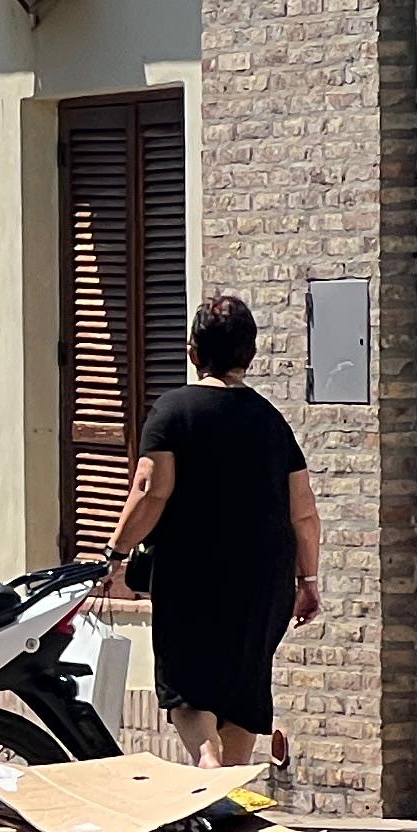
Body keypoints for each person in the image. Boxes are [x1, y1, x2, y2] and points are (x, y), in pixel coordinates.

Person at [107, 292, 320, 769]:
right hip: (265, 578)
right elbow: (303, 512)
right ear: (250, 354)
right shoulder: (271, 422)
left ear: (192, 350)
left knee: (188, 682)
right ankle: (233, 789)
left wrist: (115, 554)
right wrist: (308, 581)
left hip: (192, 573)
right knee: (244, 686)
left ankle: (206, 760)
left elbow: (150, 491)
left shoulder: (173, 412)